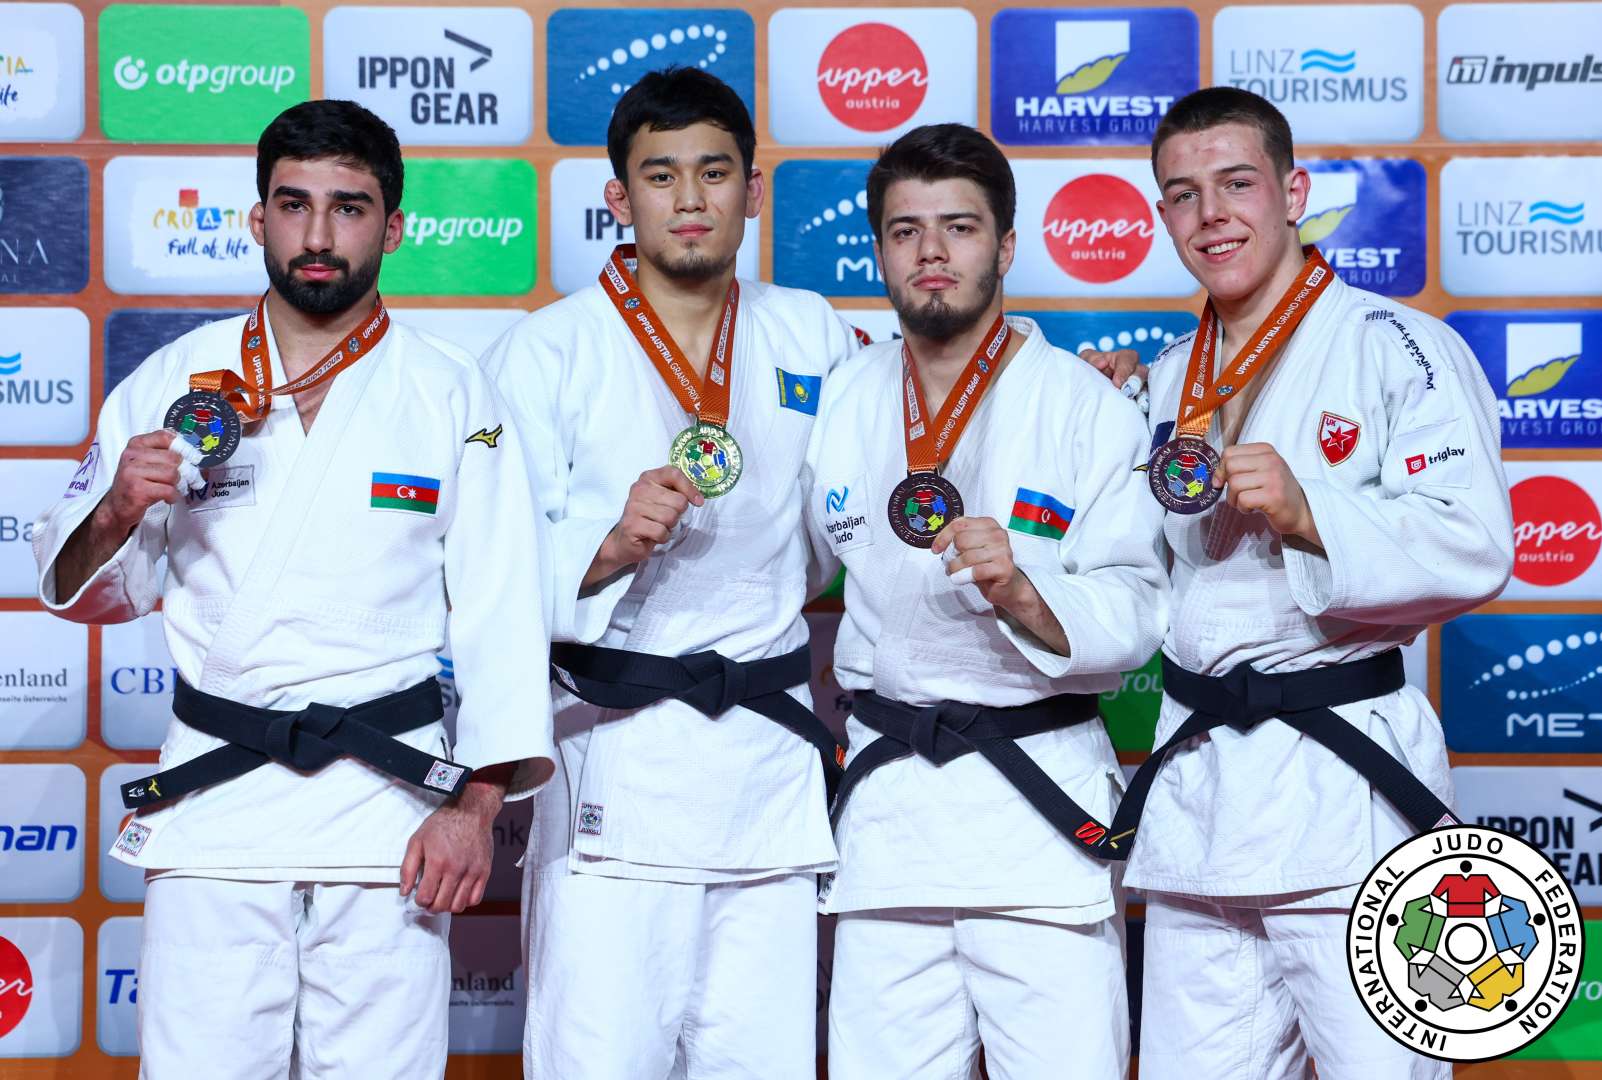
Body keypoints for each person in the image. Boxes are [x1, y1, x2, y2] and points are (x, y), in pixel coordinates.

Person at [32, 99, 554, 1078]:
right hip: (216, 808)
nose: (319, 236)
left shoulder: (450, 394)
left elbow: (503, 612)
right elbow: (89, 595)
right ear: (257, 218)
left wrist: (473, 809)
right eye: (294, 204)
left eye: (349, 208)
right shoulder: (174, 381)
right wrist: (116, 507)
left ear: (393, 228)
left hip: (388, 812)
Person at [1082, 87, 1513, 1078]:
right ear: (1162, 216)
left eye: (1237, 184)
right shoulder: (1161, 377)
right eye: (1183, 195)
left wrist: (1312, 508)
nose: (1213, 215)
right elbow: (1121, 574)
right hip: (1201, 803)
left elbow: (1478, 541)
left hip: (1347, 796)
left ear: (1293, 191)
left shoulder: (1393, 345)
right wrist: (1096, 425)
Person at [479, 67, 860, 1080]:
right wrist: (607, 547)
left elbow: (913, 439)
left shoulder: (812, 332)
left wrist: (1072, 375)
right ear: (619, 198)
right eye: (661, 175)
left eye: (714, 172)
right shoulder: (546, 352)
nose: (690, 199)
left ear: (754, 190)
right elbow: (487, 564)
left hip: (768, 770)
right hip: (618, 763)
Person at [804, 123, 1167, 1080]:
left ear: (1005, 247)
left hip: (1039, 827)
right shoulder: (842, 397)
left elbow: (1136, 613)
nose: (931, 252)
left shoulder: (1088, 406)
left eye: (959, 228)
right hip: (888, 825)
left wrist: (1022, 589)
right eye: (905, 230)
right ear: (879, 249)